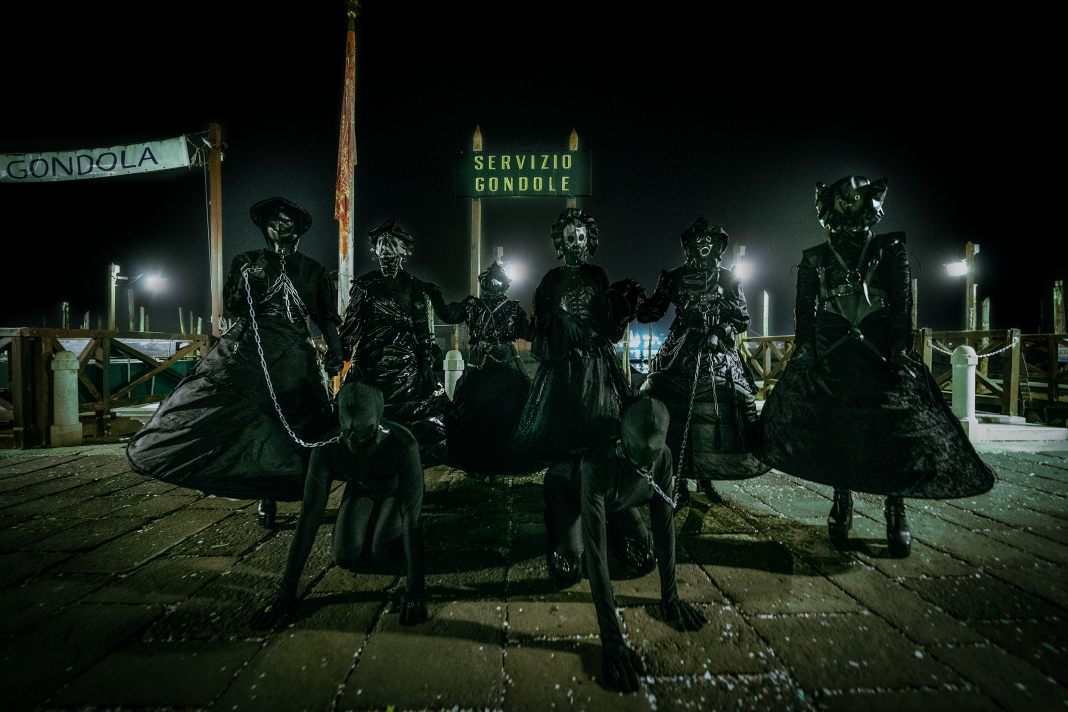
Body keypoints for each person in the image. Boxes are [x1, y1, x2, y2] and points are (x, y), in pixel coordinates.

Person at [758, 176, 995, 557]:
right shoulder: (814, 258)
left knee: (895, 431)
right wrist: (806, 354)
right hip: (832, 356)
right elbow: (805, 313)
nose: (849, 214)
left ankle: (895, 510)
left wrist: (899, 351)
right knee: (838, 429)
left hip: (882, 352)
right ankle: (842, 500)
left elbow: (902, 305)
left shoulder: (892, 250)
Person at [127, 197, 344, 526]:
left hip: (294, 358)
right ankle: (265, 497)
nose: (279, 225)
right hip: (248, 354)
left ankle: (309, 498)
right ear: (264, 228)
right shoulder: (247, 261)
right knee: (249, 423)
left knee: (306, 426)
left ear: (299, 227)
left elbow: (326, 316)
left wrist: (336, 353)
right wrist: (248, 283)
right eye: (272, 220)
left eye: (286, 219)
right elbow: (233, 306)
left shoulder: (313, 270)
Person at [543, 396, 705, 692]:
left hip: (613, 498)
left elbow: (664, 527)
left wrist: (671, 597)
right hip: (569, 488)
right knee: (568, 571)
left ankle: (601, 520)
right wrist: (611, 638)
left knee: (642, 558)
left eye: (651, 458)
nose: (649, 463)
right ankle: (567, 534)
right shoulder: (597, 463)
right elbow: (596, 550)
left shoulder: (663, 458)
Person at [252, 382, 427, 627]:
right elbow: (310, 514)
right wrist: (286, 592)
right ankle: (374, 527)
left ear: (378, 421)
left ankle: (382, 532)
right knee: (345, 556)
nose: (355, 439)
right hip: (360, 489)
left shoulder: (403, 443)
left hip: (394, 490)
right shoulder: (327, 447)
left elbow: (412, 516)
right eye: (349, 434)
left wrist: (415, 587)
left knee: (383, 553)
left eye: (364, 436)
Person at [637, 219, 770, 506]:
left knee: (727, 404)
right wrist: (637, 300)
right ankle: (679, 480)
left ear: (718, 246)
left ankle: (708, 476)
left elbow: (741, 318)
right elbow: (652, 312)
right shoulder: (674, 277)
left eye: (709, 241)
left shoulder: (728, 278)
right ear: (689, 245)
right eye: (698, 242)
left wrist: (719, 332)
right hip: (680, 350)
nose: (704, 246)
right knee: (672, 406)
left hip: (717, 353)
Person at [511, 207, 642, 461]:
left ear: (589, 239)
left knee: (597, 403)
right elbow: (542, 313)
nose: (576, 244)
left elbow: (604, 312)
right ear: (561, 241)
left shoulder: (597, 274)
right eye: (571, 238)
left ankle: (593, 454)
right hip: (564, 356)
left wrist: (620, 306)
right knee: (565, 407)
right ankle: (567, 456)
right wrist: (563, 317)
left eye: (581, 237)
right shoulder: (552, 278)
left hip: (596, 353)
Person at [340, 220, 467, 467]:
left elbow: (423, 330)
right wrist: (340, 350)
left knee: (421, 417)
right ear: (375, 250)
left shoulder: (415, 286)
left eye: (392, 244)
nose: (386, 249)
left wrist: (426, 363)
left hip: (406, 365)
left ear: (404, 251)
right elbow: (352, 324)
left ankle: (410, 464)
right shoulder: (365, 286)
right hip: (370, 362)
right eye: (381, 244)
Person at [445, 261, 536, 476]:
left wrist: (540, 314)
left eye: (498, 281)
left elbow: (530, 334)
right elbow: (450, 315)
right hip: (481, 368)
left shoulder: (512, 309)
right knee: (471, 413)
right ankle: (476, 464)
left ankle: (499, 463)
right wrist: (435, 297)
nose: (494, 285)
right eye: (490, 282)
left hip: (504, 369)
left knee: (513, 408)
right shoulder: (473, 305)